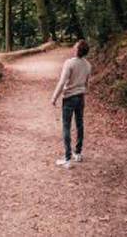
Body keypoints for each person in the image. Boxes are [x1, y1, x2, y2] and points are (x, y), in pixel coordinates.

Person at [51, 39, 91, 169]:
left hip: (69, 98)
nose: (73, 47)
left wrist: (54, 97)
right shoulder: (88, 65)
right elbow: (86, 83)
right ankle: (78, 153)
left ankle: (67, 159)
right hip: (81, 97)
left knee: (66, 126)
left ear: (77, 49)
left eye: (75, 46)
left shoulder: (69, 63)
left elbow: (62, 82)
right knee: (80, 124)